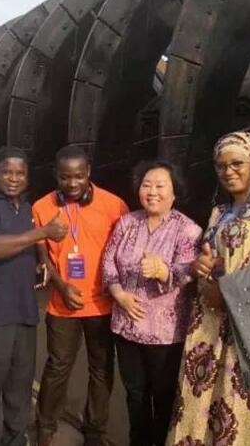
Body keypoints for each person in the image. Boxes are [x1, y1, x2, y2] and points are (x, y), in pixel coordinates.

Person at [168, 132, 250, 446]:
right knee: (205, 403)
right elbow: (215, 255)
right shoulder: (220, 211)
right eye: (221, 165)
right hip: (211, 323)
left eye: (237, 163)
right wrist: (202, 266)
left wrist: (228, 290)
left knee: (242, 403)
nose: (228, 171)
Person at [0, 146, 68, 446]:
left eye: (20, 173)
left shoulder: (25, 209)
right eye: (7, 172)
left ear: (27, 177)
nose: (13, 178)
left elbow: (28, 248)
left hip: (24, 314)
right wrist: (43, 232)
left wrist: (41, 263)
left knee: (19, 390)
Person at [101, 160, 202, 446]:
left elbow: (189, 272)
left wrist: (162, 271)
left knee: (164, 396)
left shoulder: (188, 230)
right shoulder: (127, 223)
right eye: (147, 185)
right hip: (126, 327)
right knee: (135, 395)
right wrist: (119, 294)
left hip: (164, 334)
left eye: (160, 186)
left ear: (174, 192)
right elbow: (108, 261)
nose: (152, 192)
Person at [33, 145, 129, 446]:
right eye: (65, 177)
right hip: (63, 305)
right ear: (56, 175)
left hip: (102, 305)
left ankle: (95, 432)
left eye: (78, 176)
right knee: (57, 367)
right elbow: (43, 258)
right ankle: (45, 427)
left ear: (88, 172)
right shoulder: (42, 207)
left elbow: (123, 254)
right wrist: (61, 286)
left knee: (101, 370)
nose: (72, 183)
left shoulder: (115, 206)